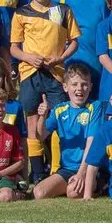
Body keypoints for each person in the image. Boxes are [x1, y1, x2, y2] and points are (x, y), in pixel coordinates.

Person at [12, 0, 80, 183]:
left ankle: (57, 169)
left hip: (56, 73)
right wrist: (27, 57)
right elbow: (14, 48)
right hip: (30, 73)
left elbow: (74, 42)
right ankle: (38, 171)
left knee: (57, 119)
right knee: (32, 120)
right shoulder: (21, 13)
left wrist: (60, 57)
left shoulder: (62, 10)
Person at [33, 63, 105, 200]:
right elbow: (40, 136)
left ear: (90, 87)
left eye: (84, 84)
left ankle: (99, 185)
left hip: (89, 168)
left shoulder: (95, 107)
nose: (80, 88)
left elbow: (91, 142)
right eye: (74, 84)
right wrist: (42, 116)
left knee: (73, 192)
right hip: (66, 169)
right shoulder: (59, 110)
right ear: (65, 87)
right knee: (39, 192)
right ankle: (70, 185)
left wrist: (81, 173)